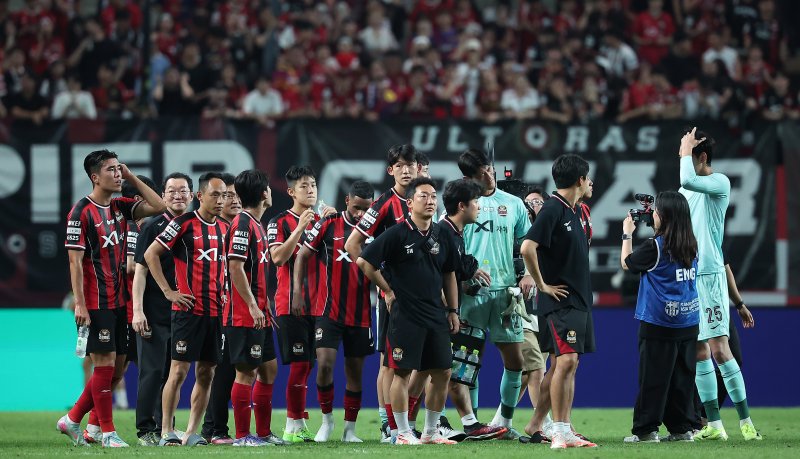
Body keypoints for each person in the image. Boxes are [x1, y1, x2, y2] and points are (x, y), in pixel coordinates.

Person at [58, 149, 164, 448]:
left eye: (119, 169)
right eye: (111, 170)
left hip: (119, 300)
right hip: (95, 300)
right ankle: (107, 431)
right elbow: (75, 262)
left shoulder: (120, 206)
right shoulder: (80, 212)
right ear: (95, 177)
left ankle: (74, 420)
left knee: (116, 369)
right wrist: (80, 303)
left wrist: (131, 177)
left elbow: (158, 205)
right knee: (103, 366)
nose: (117, 174)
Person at [357, 177, 461, 446]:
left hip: (436, 315)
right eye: (423, 196)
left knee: (442, 372)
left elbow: (449, 273)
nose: (430, 201)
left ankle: (429, 431)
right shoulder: (397, 233)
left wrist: (453, 310)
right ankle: (402, 432)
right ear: (410, 202)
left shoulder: (442, 234)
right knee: (402, 373)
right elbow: (364, 261)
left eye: (433, 196)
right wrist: (388, 291)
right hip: (405, 315)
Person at [677, 127, 761, 441]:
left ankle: (746, 423)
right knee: (699, 350)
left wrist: (686, 149)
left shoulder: (718, 182)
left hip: (710, 276)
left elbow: (687, 178)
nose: (682, 157)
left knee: (721, 350)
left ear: (701, 157)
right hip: (687, 274)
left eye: (686, 153)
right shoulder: (686, 191)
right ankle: (713, 424)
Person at [144, 172, 229, 446]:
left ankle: (191, 433)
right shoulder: (183, 224)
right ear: (199, 196)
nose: (220, 200)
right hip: (187, 312)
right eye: (215, 195)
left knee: (207, 373)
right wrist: (169, 292)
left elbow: (225, 266)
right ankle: (167, 430)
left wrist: (225, 290)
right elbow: (150, 255)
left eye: (224, 195)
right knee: (178, 371)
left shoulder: (225, 228)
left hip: (215, 313)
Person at [520, 154, 597, 449]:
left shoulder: (576, 210)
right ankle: (562, 430)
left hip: (578, 299)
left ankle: (537, 423)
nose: (590, 182)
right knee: (567, 361)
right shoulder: (553, 209)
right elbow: (528, 247)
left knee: (563, 365)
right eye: (587, 177)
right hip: (561, 301)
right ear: (580, 180)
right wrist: (541, 285)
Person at [344, 144, 419, 442]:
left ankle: (402, 422)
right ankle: (389, 424)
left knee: (414, 362)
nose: (405, 169)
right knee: (390, 361)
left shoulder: (422, 199)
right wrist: (381, 283)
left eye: (409, 164)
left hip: (419, 295)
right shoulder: (384, 204)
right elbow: (353, 244)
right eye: (399, 165)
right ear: (391, 171)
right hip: (394, 296)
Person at [458, 148, 534, 439]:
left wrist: (528, 273)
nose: (489, 176)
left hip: (505, 294)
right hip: (472, 294)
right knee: (469, 364)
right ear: (469, 177)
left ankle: (505, 421)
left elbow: (528, 244)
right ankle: (474, 425)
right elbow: (453, 247)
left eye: (490, 169)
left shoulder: (514, 204)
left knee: (516, 361)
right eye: (481, 173)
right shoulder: (461, 206)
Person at [293, 181, 376, 442]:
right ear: (347, 202)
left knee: (355, 371)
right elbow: (302, 256)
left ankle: (349, 430)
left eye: (366, 209)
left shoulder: (375, 230)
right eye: (356, 208)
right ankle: (326, 421)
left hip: (361, 313)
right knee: (325, 365)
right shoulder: (329, 224)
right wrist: (298, 292)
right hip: (328, 310)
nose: (361, 214)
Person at [620, 191, 701, 443]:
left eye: (656, 212)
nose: (652, 215)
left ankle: (646, 431)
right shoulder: (691, 244)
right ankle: (681, 429)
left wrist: (627, 234)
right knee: (682, 380)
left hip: (659, 322)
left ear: (664, 216)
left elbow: (627, 263)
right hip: (688, 321)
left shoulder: (655, 246)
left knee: (653, 379)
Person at [268, 165, 334, 443]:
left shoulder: (325, 220)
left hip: (319, 305)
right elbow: (278, 258)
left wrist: (329, 221)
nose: (311, 190)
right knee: (297, 365)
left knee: (308, 365)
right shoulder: (278, 222)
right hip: (290, 303)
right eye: (304, 186)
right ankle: (290, 426)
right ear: (291, 191)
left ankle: (297, 422)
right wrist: (302, 227)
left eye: (313, 185)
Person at [440, 179, 508, 441]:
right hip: (432, 313)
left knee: (449, 370)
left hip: (445, 310)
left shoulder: (455, 234)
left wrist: (464, 289)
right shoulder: (443, 233)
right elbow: (436, 277)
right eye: (476, 202)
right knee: (430, 371)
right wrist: (449, 310)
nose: (479, 207)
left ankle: (467, 423)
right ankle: (408, 426)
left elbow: (450, 276)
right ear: (461, 206)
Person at [131, 172, 193, 446]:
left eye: (183, 191)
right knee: (152, 372)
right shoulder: (152, 226)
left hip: (183, 314)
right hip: (154, 313)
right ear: (163, 195)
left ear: (192, 195)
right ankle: (146, 430)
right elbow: (140, 273)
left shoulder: (195, 226)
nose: (178, 195)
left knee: (173, 374)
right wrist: (137, 310)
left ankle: (166, 427)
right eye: (172, 191)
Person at [225, 169, 284, 446]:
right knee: (246, 371)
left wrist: (265, 302)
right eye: (269, 188)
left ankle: (263, 432)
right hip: (243, 314)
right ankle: (241, 436)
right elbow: (235, 267)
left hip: (260, 312)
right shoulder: (242, 224)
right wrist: (251, 305)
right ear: (263, 194)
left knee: (269, 368)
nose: (271, 192)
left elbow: (255, 270)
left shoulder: (257, 224)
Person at [201, 172, 240, 445]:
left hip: (233, 309)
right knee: (221, 370)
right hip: (215, 309)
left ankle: (210, 426)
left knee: (226, 369)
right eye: (227, 195)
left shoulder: (232, 229)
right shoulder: (211, 229)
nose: (233, 200)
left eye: (236, 195)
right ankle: (215, 429)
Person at [517, 187, 551, 443]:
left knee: (527, 374)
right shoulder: (517, 232)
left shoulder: (553, 231)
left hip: (546, 310)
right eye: (527, 202)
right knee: (537, 367)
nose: (532, 206)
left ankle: (500, 419)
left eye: (538, 202)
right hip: (521, 309)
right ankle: (544, 424)